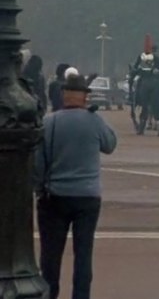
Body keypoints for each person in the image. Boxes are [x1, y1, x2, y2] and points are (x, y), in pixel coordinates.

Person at [33, 71, 117, 299]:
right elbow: (110, 144)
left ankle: (50, 294)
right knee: (83, 254)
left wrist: (39, 190)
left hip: (55, 196)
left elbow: (39, 163)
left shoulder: (49, 122)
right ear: (83, 97)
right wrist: (96, 118)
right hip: (87, 197)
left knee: (50, 257)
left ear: (63, 96)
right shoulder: (93, 120)